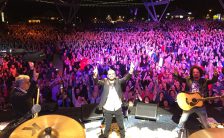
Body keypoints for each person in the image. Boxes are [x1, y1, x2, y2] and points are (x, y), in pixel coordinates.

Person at [173, 65, 218, 134]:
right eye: (194, 72)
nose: (195, 73)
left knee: (205, 124)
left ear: (200, 73)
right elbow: (180, 79)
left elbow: (213, 81)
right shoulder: (188, 79)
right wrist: (176, 74)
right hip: (189, 104)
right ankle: (178, 128)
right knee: (183, 119)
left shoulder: (204, 81)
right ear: (192, 73)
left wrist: (215, 75)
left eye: (197, 72)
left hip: (200, 106)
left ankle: (209, 134)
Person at [93, 63, 134, 138]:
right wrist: (95, 76)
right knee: (107, 127)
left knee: (121, 126)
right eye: (109, 74)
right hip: (107, 108)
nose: (111, 75)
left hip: (118, 107)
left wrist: (130, 71)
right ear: (107, 75)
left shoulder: (118, 81)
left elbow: (125, 79)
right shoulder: (105, 82)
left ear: (115, 75)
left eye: (112, 74)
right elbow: (97, 82)